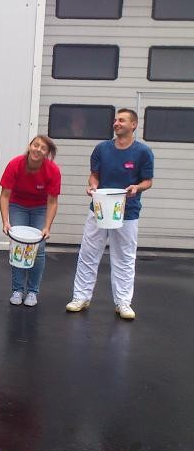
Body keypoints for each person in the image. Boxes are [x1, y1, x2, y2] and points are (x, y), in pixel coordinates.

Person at [66, 109, 154, 320]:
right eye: (115, 120)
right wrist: (93, 186)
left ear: (133, 125)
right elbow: (94, 176)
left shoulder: (143, 152)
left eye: (122, 120)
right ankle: (81, 297)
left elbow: (148, 181)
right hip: (98, 209)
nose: (116, 123)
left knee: (124, 258)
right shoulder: (102, 149)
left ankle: (123, 302)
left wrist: (137, 187)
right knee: (88, 254)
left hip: (127, 212)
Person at [0, 135, 61, 307]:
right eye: (35, 145)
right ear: (30, 146)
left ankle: (33, 291)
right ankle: (17, 290)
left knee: (38, 248)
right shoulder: (15, 164)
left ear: (47, 153)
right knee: (19, 245)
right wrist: (5, 221)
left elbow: (52, 201)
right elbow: (5, 195)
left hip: (40, 208)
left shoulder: (52, 170)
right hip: (18, 205)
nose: (38, 150)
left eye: (43, 148)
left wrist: (47, 227)